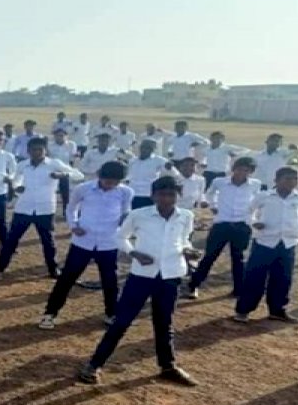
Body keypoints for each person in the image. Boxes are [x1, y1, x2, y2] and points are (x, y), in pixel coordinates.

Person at [77, 176, 201, 386]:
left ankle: (168, 366)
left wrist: (188, 251)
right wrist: (134, 253)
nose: (167, 199)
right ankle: (94, 364)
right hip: (142, 276)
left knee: (164, 324)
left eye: (171, 194)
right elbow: (120, 237)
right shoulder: (139, 215)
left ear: (178, 196)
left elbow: (184, 239)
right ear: (153, 195)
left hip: (171, 275)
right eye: (162, 194)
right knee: (122, 322)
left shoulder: (186, 216)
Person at [39, 161, 133, 329]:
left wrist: (124, 224)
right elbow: (71, 208)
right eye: (107, 181)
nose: (110, 185)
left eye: (115, 182)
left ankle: (111, 314)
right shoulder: (83, 188)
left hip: (108, 243)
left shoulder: (126, 192)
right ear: (100, 175)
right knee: (66, 279)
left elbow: (126, 212)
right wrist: (74, 226)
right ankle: (49, 314)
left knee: (109, 282)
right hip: (83, 242)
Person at [233, 167, 298, 323]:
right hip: (265, 242)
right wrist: (254, 223)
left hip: (288, 243)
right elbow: (248, 212)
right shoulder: (264, 196)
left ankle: (277, 310)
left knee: (283, 279)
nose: (291, 182)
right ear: (276, 181)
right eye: (287, 178)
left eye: (294, 179)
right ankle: (243, 310)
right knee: (255, 278)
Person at [0, 138, 81, 279]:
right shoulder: (22, 165)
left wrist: (63, 175)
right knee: (11, 240)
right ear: (28, 151)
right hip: (23, 208)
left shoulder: (54, 164)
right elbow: (16, 180)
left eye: (40, 149)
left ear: (45, 150)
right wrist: (17, 188)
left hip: (45, 209)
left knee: (48, 241)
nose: (37, 152)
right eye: (34, 149)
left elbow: (79, 175)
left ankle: (53, 270)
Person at [182, 156, 262, 299]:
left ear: (251, 172)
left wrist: (252, 217)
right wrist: (213, 206)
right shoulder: (220, 182)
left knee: (239, 259)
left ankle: (238, 289)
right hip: (222, 224)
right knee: (209, 257)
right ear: (233, 169)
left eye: (246, 170)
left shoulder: (255, 184)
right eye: (239, 169)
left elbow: (258, 201)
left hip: (242, 226)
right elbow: (209, 193)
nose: (242, 173)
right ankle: (193, 286)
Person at [126, 140, 178, 209]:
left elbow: (175, 174)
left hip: (149, 195)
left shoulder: (159, 160)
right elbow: (127, 176)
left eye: (149, 148)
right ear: (140, 148)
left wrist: (169, 168)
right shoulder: (133, 161)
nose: (145, 150)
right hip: (133, 194)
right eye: (144, 147)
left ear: (153, 150)